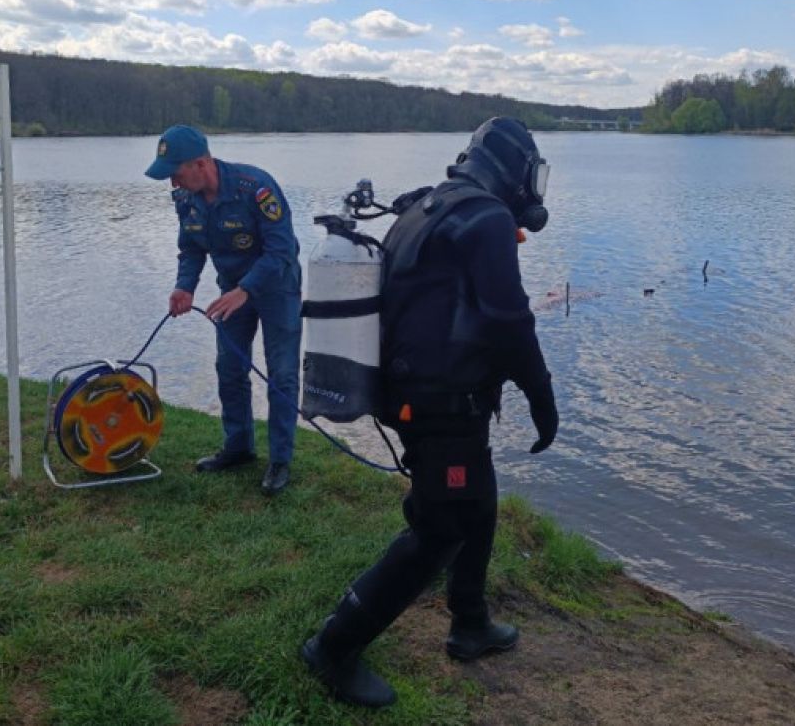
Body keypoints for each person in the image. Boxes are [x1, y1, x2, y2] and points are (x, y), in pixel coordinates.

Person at [301, 117, 559, 707]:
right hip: (438, 404)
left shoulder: (430, 205)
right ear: (514, 170)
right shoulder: (486, 217)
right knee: (439, 529)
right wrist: (543, 400)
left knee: (481, 500)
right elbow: (509, 321)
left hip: (422, 393)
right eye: (532, 175)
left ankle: (470, 622)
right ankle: (333, 648)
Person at [144, 124, 302, 496]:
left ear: (201, 163)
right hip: (231, 290)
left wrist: (245, 290)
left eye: (176, 173)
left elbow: (281, 251)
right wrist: (185, 286)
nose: (173, 183)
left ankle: (279, 460)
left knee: (281, 374)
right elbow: (192, 247)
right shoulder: (187, 198)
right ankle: (239, 448)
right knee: (229, 367)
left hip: (276, 288)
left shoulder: (256, 188)